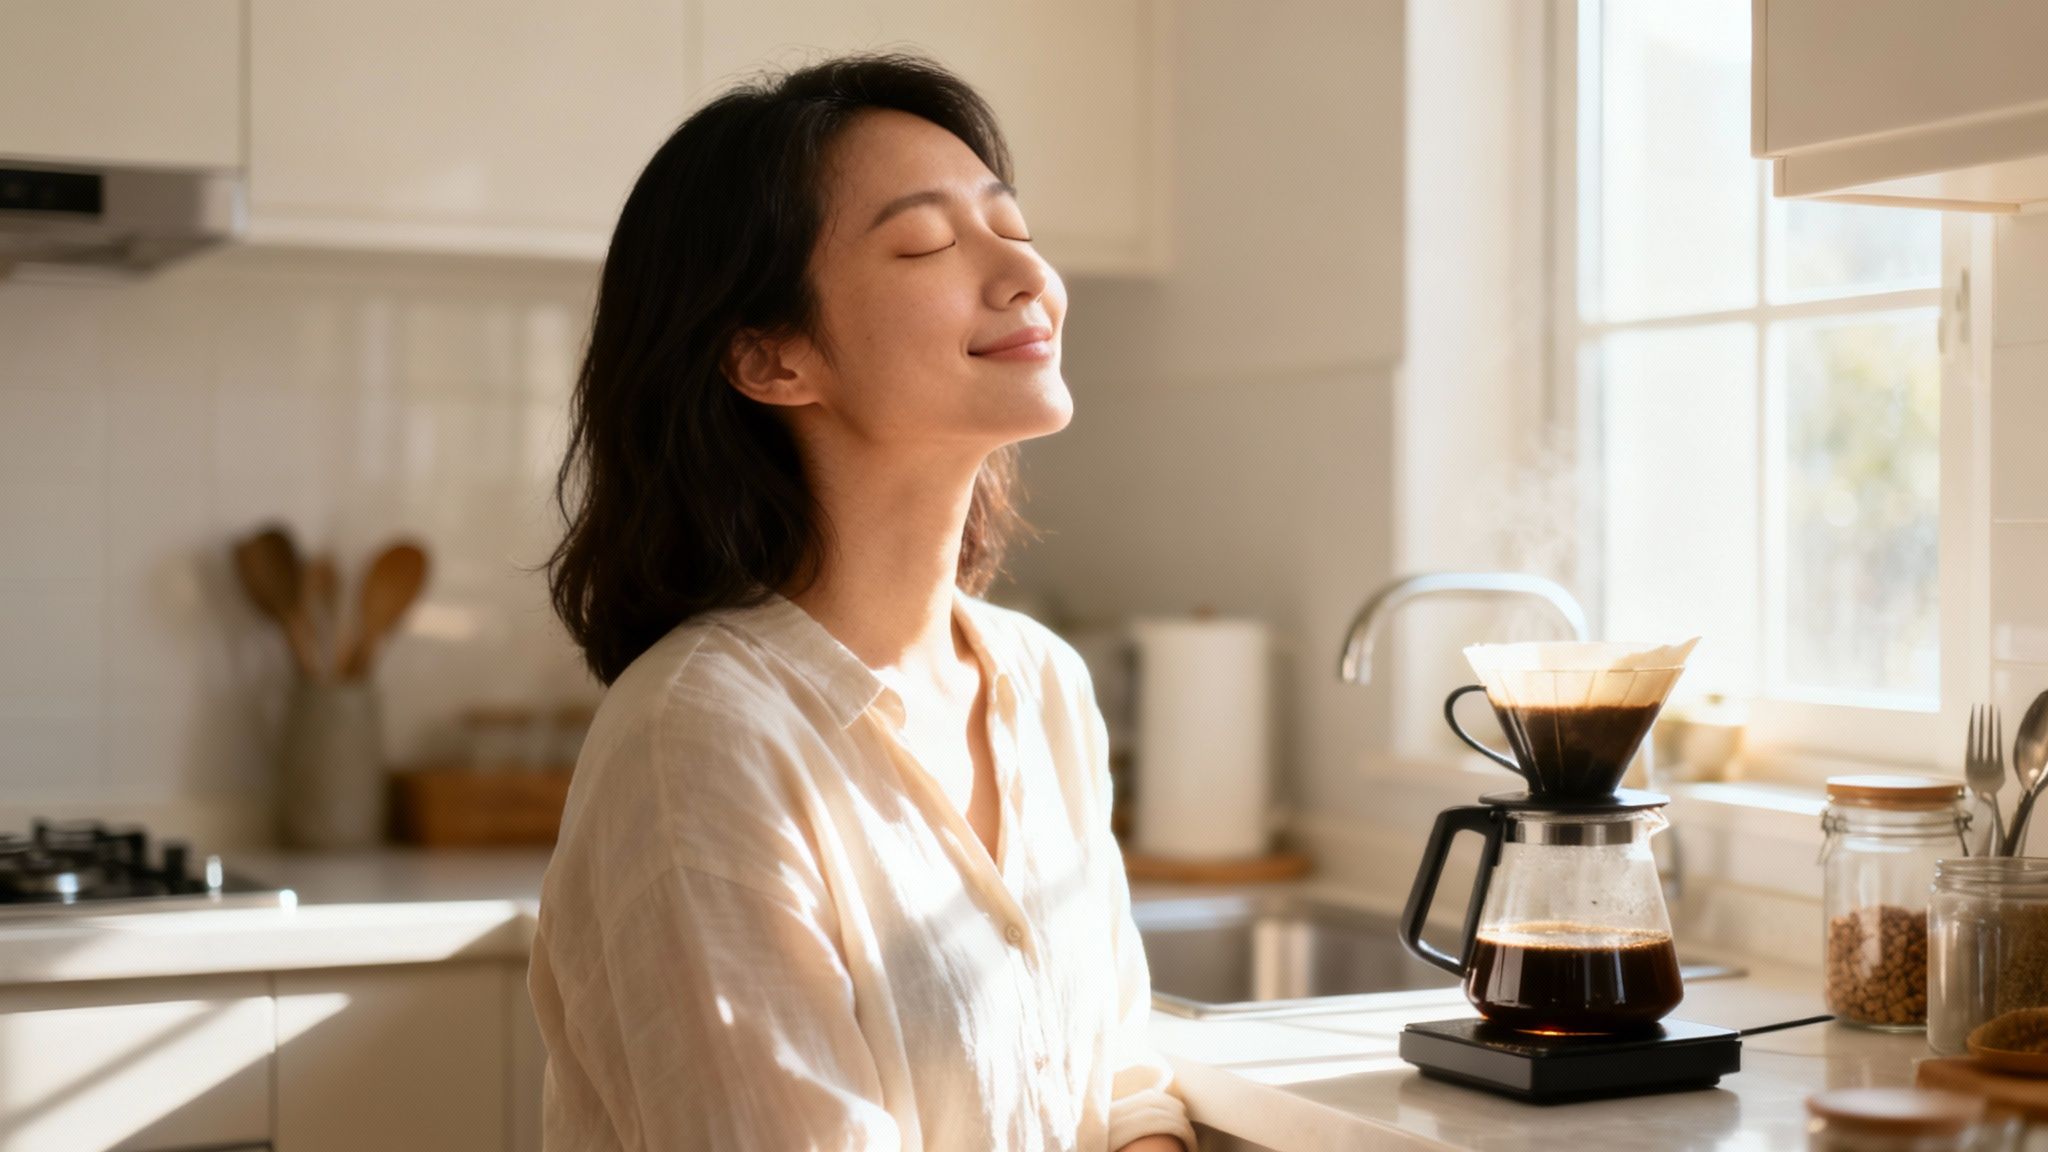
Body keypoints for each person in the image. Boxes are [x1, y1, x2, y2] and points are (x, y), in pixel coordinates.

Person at [529, 52, 1198, 1152]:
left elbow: (1120, 1083)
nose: (1025, 276)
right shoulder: (698, 737)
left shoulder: (1039, 682)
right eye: (927, 242)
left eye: (1012, 228)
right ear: (770, 359)